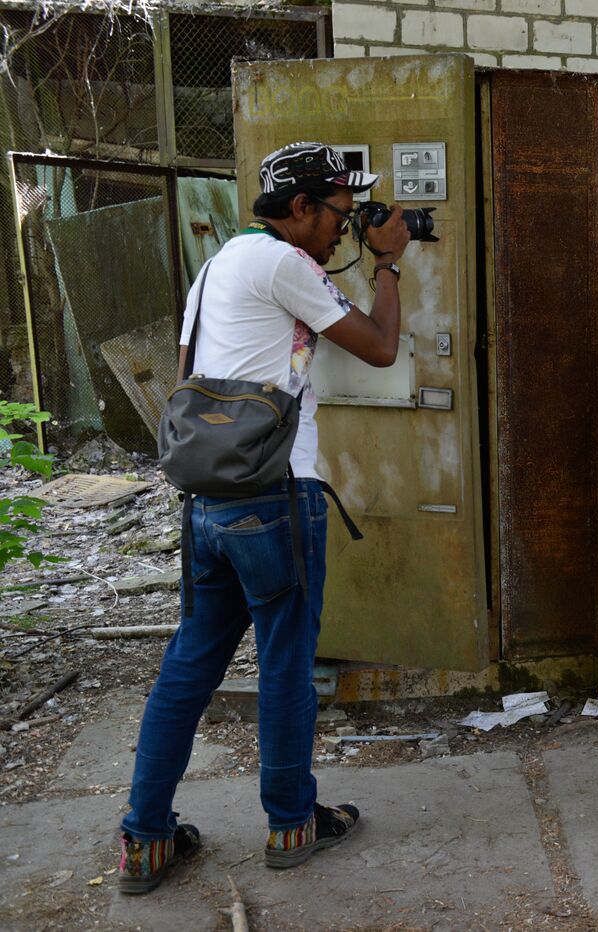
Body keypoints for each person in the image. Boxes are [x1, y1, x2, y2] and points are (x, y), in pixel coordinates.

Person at [116, 142, 410, 894]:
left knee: (188, 666)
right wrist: (388, 263)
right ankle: (291, 822)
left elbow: (189, 378)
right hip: (276, 496)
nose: (344, 231)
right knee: (284, 663)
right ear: (302, 207)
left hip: (208, 500)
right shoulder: (286, 264)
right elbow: (379, 349)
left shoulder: (217, 265)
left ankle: (145, 841)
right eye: (339, 217)